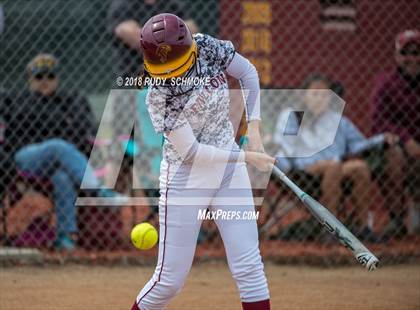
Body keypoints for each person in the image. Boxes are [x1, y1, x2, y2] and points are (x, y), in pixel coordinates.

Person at [131, 13, 274, 310]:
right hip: (186, 178)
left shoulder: (206, 47)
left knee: (249, 266)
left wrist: (255, 130)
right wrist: (246, 155)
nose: (169, 76)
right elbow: (193, 153)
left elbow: (247, 73)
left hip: (228, 171)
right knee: (169, 281)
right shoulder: (157, 96)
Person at [3, 54, 120, 250]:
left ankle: (65, 237)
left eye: (50, 76)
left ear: (57, 78)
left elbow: (83, 132)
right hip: (26, 157)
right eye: (39, 77)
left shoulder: (69, 101)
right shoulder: (19, 100)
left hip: (61, 163)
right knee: (57, 145)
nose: (45, 82)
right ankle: (97, 189)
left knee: (62, 177)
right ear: (30, 79)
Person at [274, 74, 395, 241]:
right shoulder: (293, 116)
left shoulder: (339, 121)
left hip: (335, 169)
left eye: (325, 95)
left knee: (359, 167)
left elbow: (359, 145)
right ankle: (331, 230)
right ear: (304, 95)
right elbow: (285, 149)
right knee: (333, 166)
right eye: (315, 94)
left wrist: (382, 139)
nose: (320, 99)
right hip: (303, 171)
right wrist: (296, 166)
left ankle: (364, 228)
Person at [372, 29, 420, 237]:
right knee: (395, 155)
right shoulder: (386, 83)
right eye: (405, 53)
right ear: (396, 56)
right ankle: (397, 219)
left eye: (415, 53)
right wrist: (406, 139)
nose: (410, 59)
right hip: (397, 146)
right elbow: (378, 122)